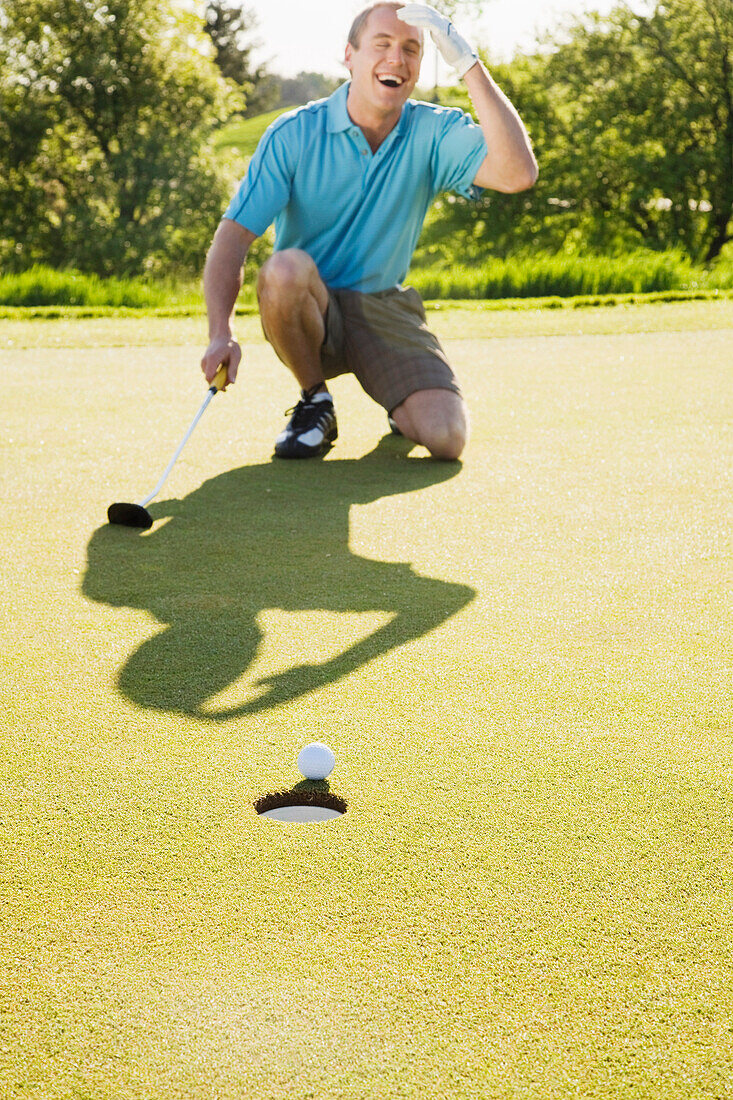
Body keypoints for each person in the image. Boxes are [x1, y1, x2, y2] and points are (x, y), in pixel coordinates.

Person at [201, 2, 537, 461]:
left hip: (384, 305)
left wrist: (467, 61)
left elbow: (517, 174)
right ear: (349, 56)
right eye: (381, 45)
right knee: (283, 269)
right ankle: (314, 402)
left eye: (411, 49)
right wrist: (221, 332)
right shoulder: (293, 134)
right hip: (308, 307)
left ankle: (397, 402)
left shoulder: (434, 131)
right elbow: (233, 237)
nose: (396, 59)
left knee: (446, 438)